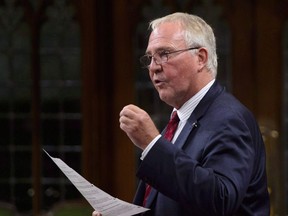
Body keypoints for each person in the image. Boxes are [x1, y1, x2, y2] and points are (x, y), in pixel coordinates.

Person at [92, 12, 270, 216]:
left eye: (164, 54)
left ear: (200, 58)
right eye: (150, 57)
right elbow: (176, 204)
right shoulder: (181, 118)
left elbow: (221, 200)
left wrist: (152, 144)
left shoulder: (229, 119)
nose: (153, 67)